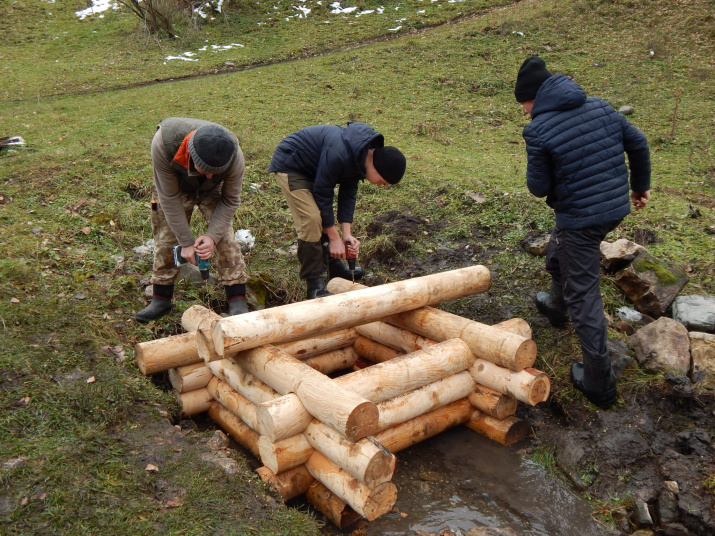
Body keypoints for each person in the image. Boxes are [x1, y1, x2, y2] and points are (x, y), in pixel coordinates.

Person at [514, 57, 651, 409]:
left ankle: (599, 382)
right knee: (560, 249)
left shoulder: (538, 130)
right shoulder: (601, 107)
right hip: (614, 208)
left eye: (524, 104)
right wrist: (640, 187)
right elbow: (638, 143)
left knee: (584, 294)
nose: (525, 111)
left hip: (581, 218)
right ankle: (556, 306)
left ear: (535, 98)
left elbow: (538, 187)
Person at [268, 122, 406, 299]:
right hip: (293, 164)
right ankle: (315, 285)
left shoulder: (360, 155)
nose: (381, 185)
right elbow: (322, 191)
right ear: (377, 168)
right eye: (382, 182)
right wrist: (334, 238)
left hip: (316, 170)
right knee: (311, 219)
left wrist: (346, 235)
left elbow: (348, 194)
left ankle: (334, 267)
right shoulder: (341, 153)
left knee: (323, 217)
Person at [135, 117, 249, 323]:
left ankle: (237, 297)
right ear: (191, 154)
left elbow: (231, 199)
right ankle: (161, 297)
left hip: (214, 191)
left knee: (225, 237)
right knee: (167, 236)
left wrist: (212, 237)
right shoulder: (164, 143)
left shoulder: (233, 156)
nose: (208, 176)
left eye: (214, 172)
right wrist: (186, 243)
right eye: (204, 170)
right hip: (174, 187)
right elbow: (168, 198)